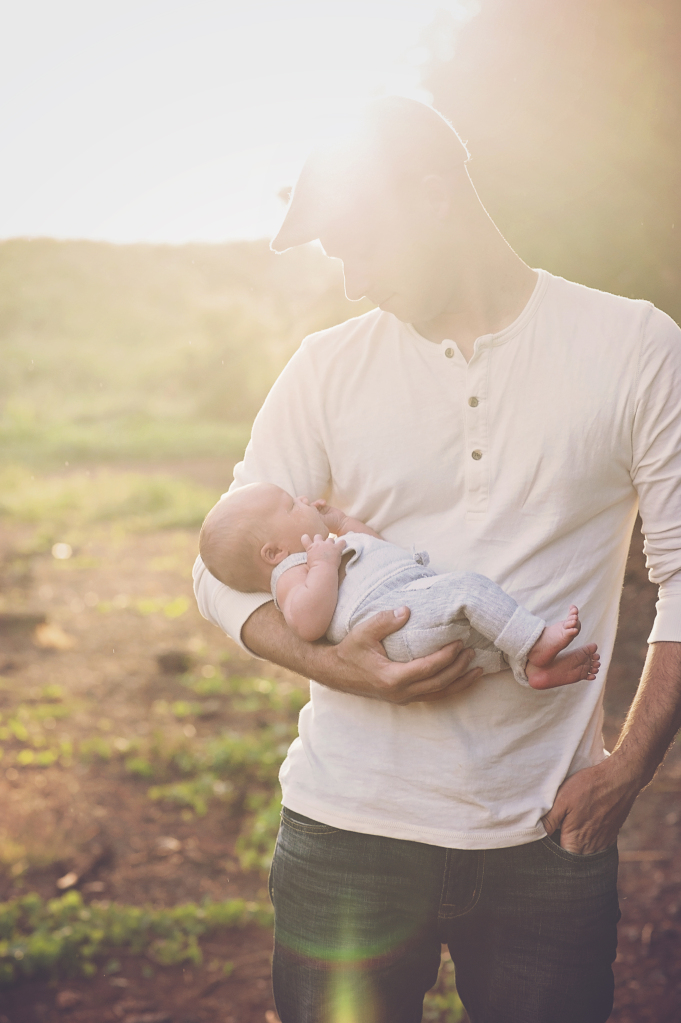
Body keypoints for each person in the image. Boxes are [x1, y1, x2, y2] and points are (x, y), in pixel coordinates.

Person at [193, 96, 681, 1023]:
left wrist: (628, 768)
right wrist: (340, 665)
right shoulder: (324, 367)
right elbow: (216, 568)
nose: (346, 280)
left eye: (356, 244)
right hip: (344, 835)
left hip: (545, 833)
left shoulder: (635, 348)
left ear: (431, 197)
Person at [199, 482, 601, 690]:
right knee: (468, 590)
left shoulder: (323, 546)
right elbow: (306, 623)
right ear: (272, 552)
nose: (303, 500)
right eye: (291, 506)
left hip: (411, 611)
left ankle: (528, 668)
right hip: (395, 620)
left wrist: (341, 524)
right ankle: (535, 640)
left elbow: (374, 544)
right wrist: (322, 566)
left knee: (472, 640)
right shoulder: (292, 570)